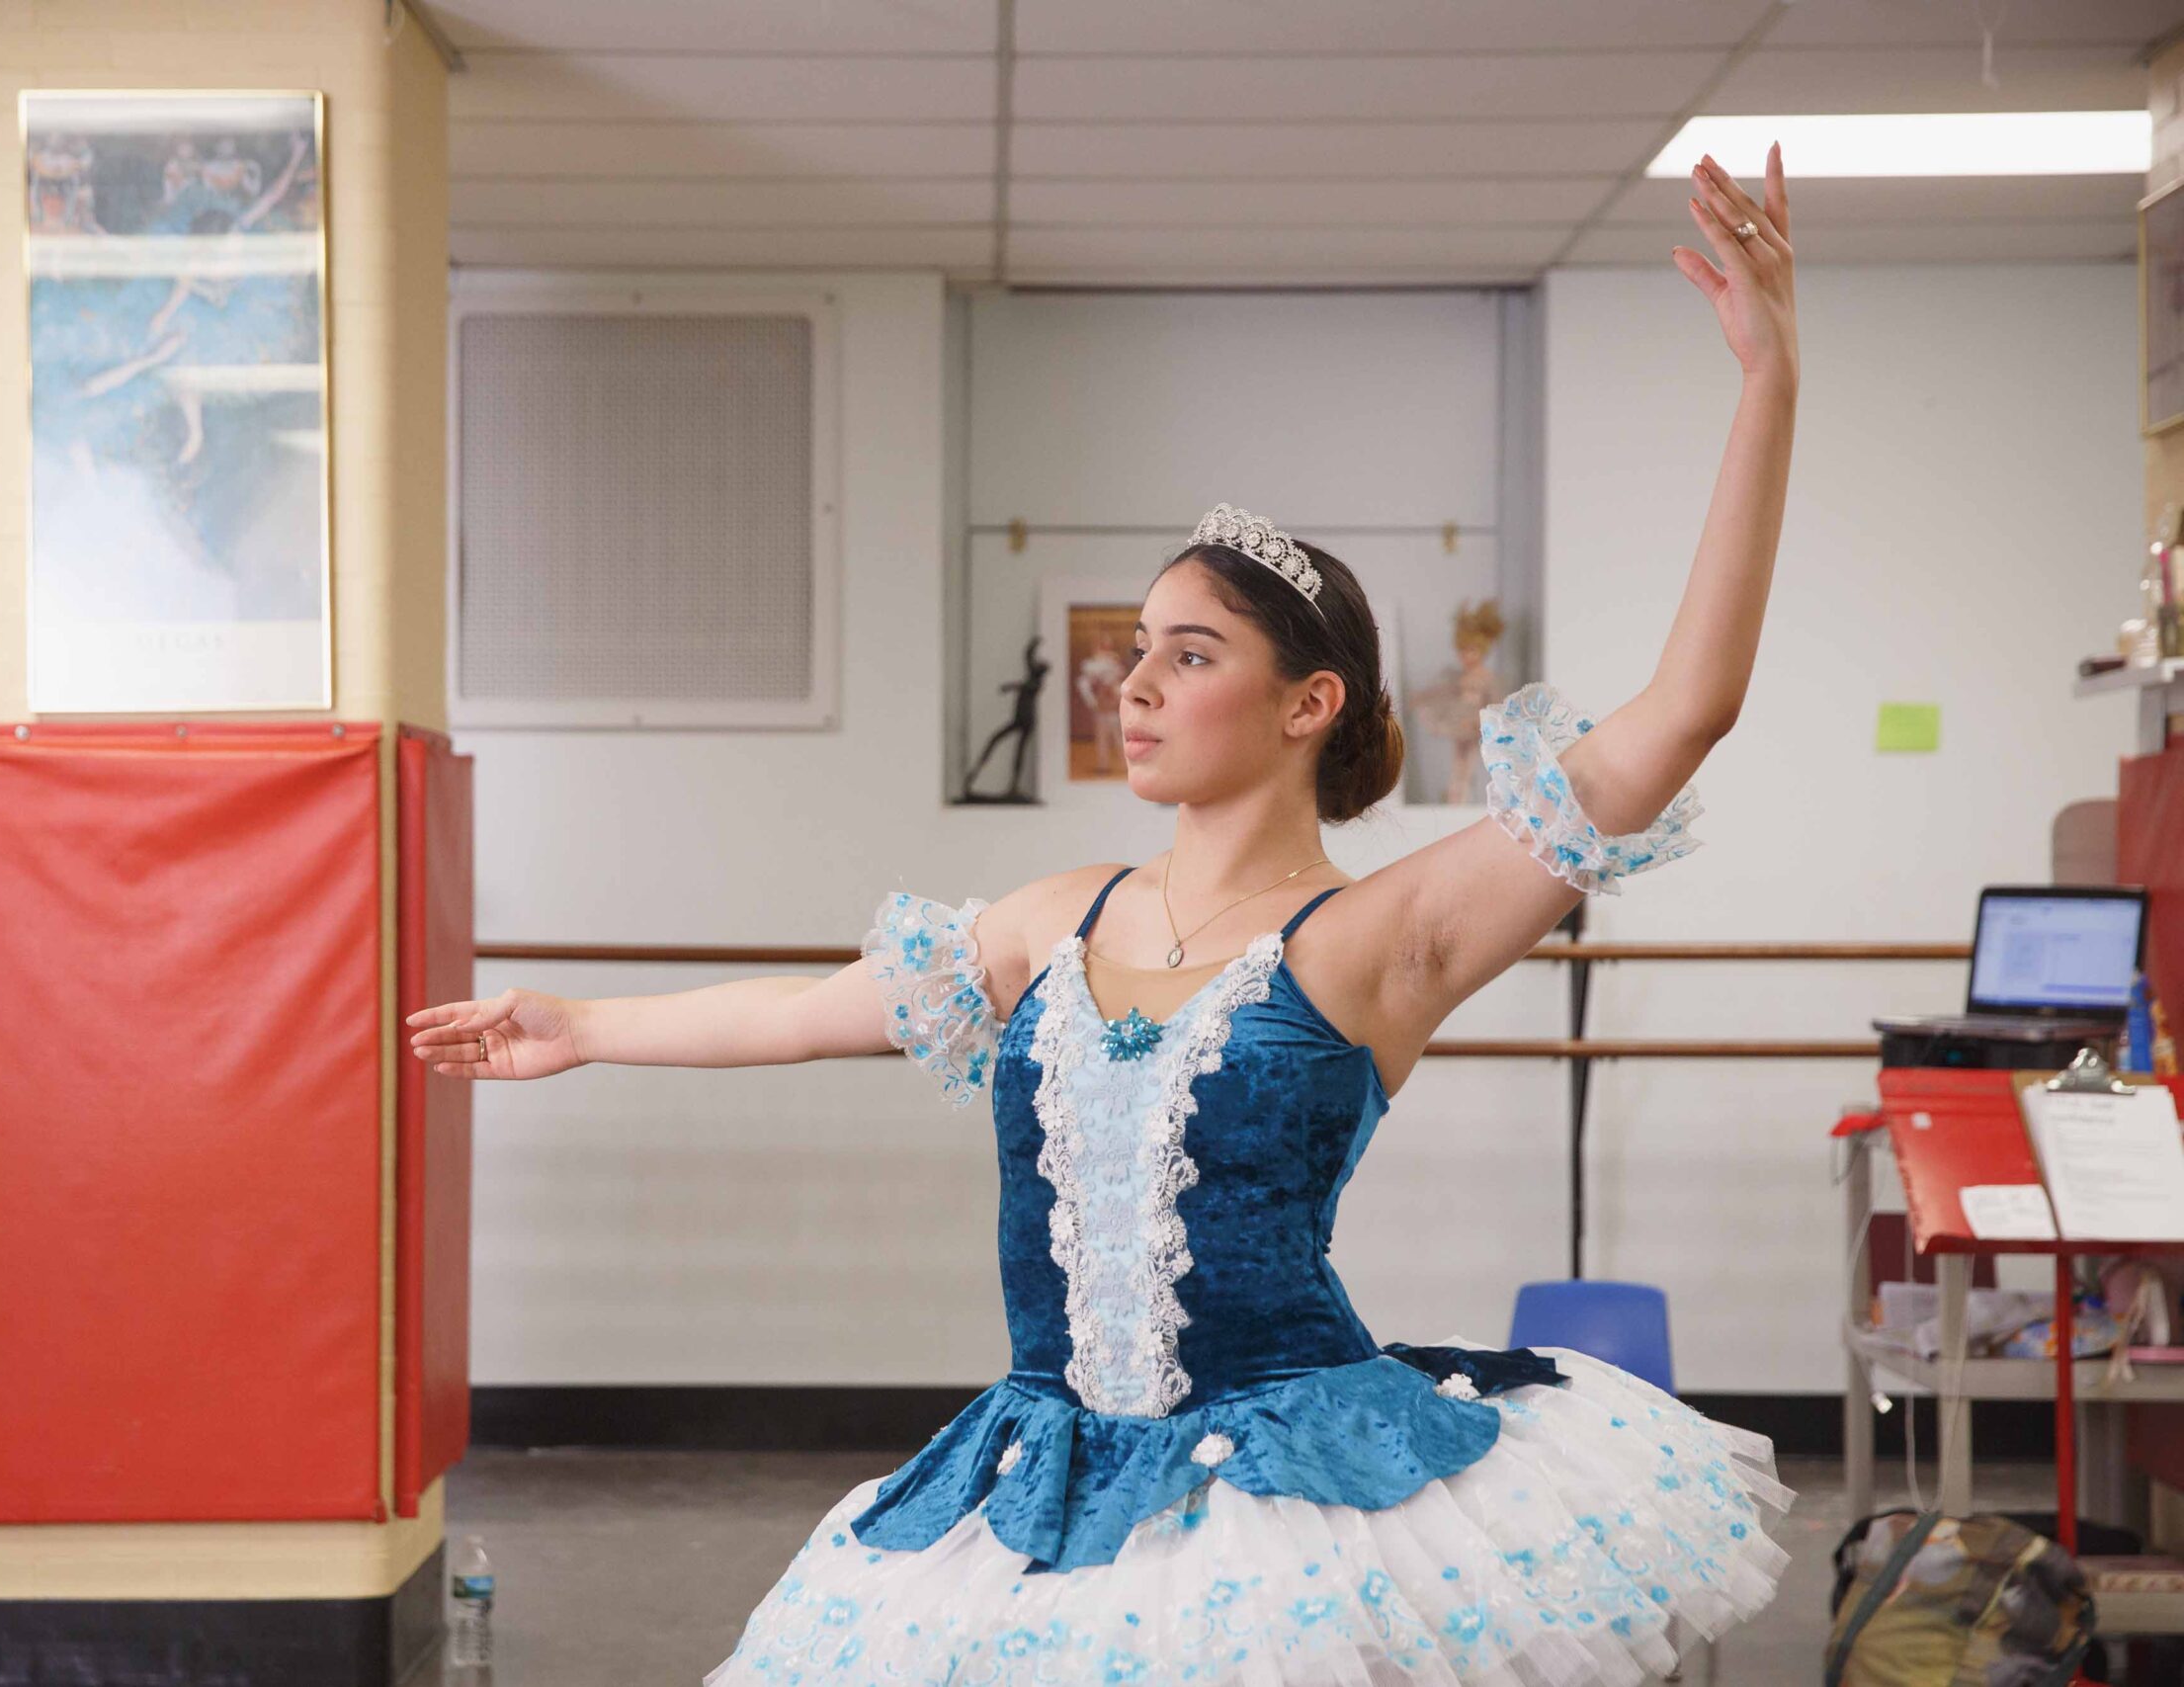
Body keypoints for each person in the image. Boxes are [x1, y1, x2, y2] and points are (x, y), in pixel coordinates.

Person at [409, 149, 1801, 1682]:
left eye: (1189, 655)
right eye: (1137, 647)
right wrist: (578, 1023)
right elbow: (806, 1010)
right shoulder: (1054, 920)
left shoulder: (1372, 939)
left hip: (1285, 1497)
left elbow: (1682, 713)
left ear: (1307, 702)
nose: (1132, 683)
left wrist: (1767, 383)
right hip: (1050, 1481)